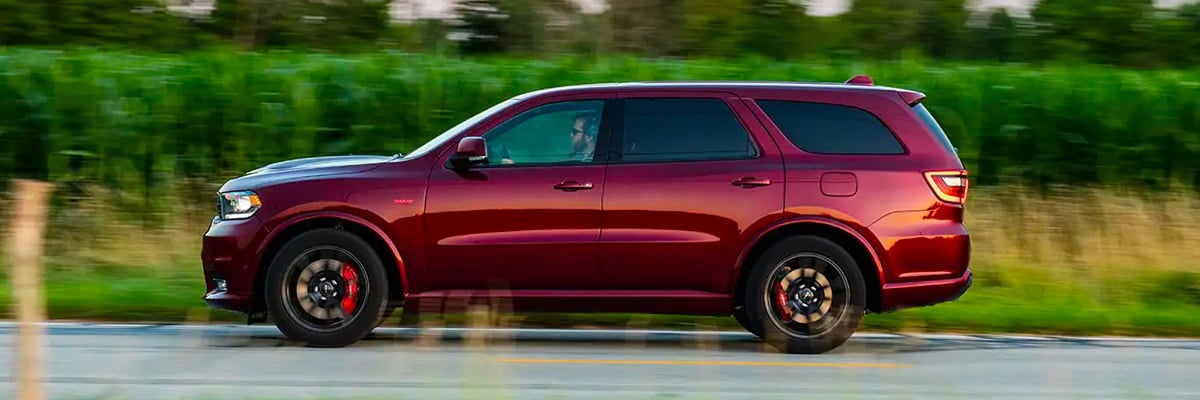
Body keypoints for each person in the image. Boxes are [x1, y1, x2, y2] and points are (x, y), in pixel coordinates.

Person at [500, 110, 599, 164]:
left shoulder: (589, 164)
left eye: (575, 132)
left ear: (589, 136)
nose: (570, 135)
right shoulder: (579, 158)